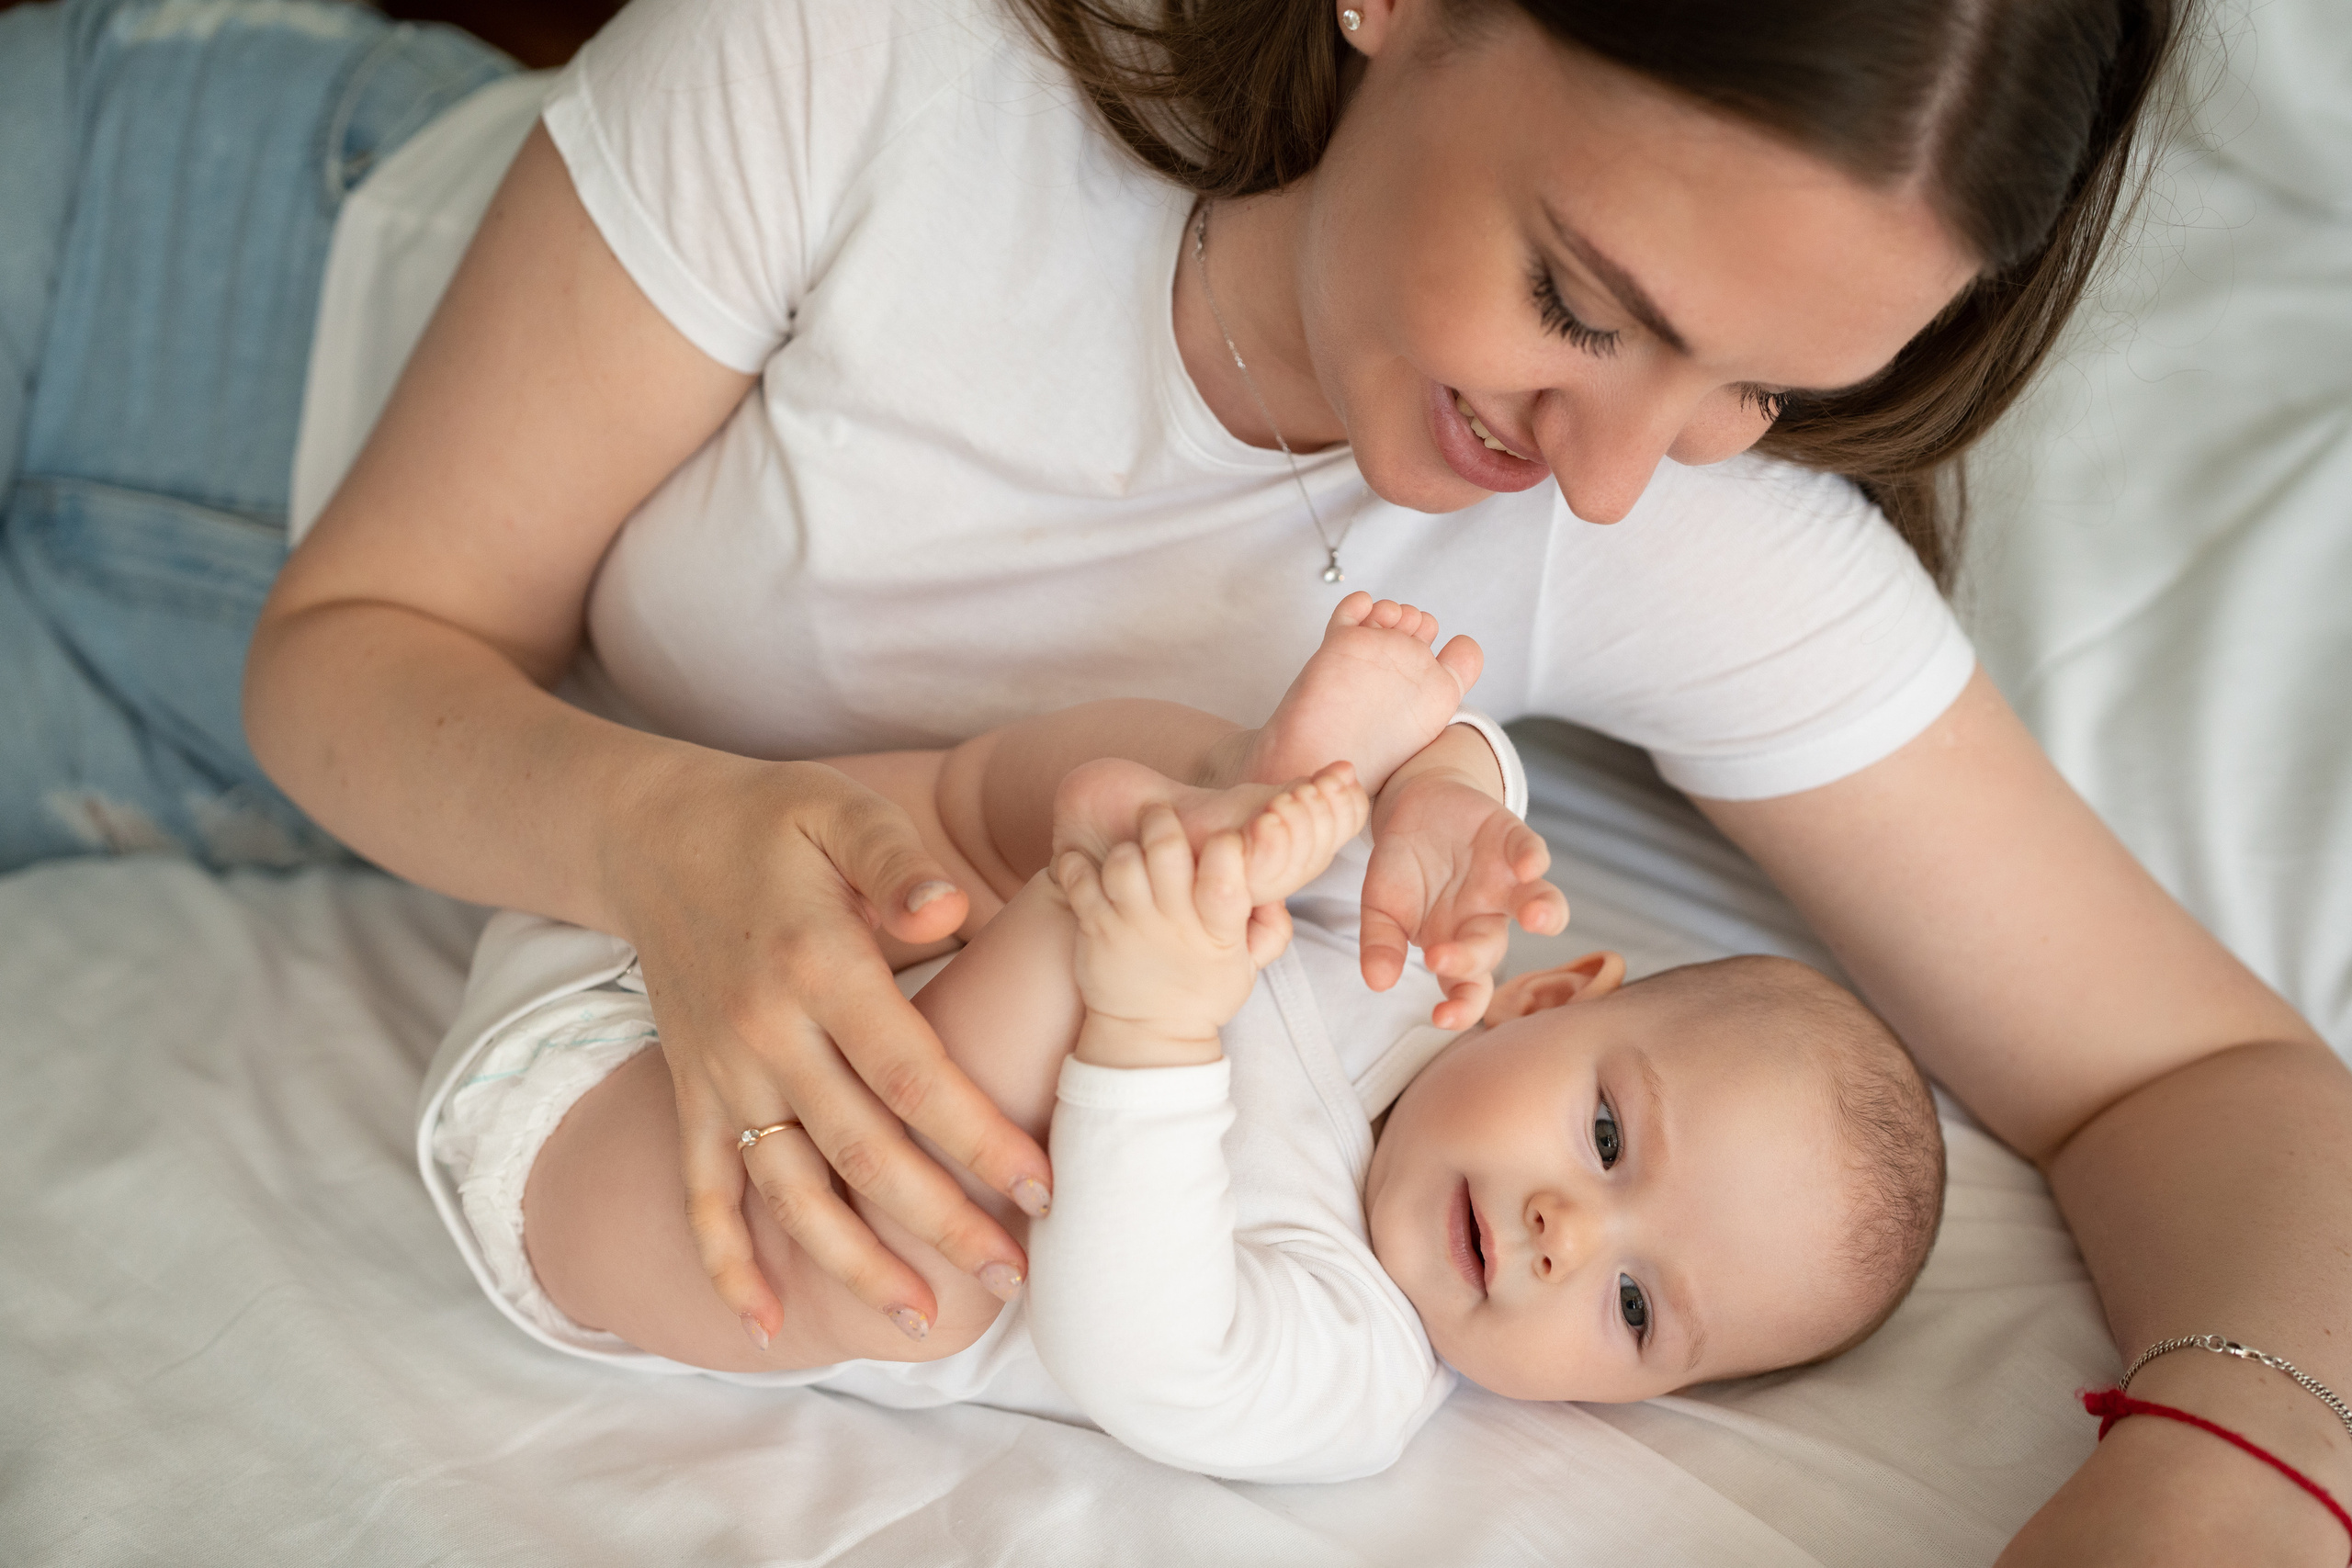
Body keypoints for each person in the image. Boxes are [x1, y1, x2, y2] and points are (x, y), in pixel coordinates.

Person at [5, 0, 2346, 1554]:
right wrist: (661, 830)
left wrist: (2223, 1473)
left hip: (222, 790)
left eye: (1760, 390)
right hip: (177, 280)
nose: (1619, 479)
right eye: (1580, 302)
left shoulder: (1682, 543)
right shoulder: (884, 56)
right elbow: (358, 648)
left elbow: (2206, 1073)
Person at [428, 599, 1945, 1481]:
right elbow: (1467, 779)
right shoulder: (1419, 971)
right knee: (1199, 786)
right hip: (727, 900)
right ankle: (1202, 803)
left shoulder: (1350, 1363)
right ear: (1554, 996)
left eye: (1631, 1308)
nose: (1566, 1230)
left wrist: (1153, 1023)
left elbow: (1139, 1355)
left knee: (949, 1277)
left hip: (626, 1164)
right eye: (1608, 1141)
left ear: (1631, 1400)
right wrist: (1444, 791)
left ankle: (1121, 887)